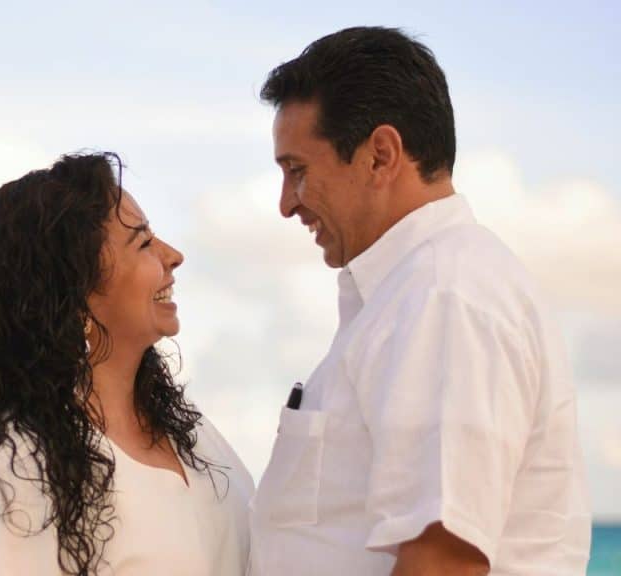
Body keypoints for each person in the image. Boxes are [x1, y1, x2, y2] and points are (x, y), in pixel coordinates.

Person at [250, 27, 591, 575]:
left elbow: (443, 560)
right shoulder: (413, 294)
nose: (287, 204)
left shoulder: (443, 294)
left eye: (298, 171)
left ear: (380, 156)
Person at [0, 152, 252, 576]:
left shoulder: (195, 438)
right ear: (74, 295)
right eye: (142, 243)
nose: (173, 256)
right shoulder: (12, 470)